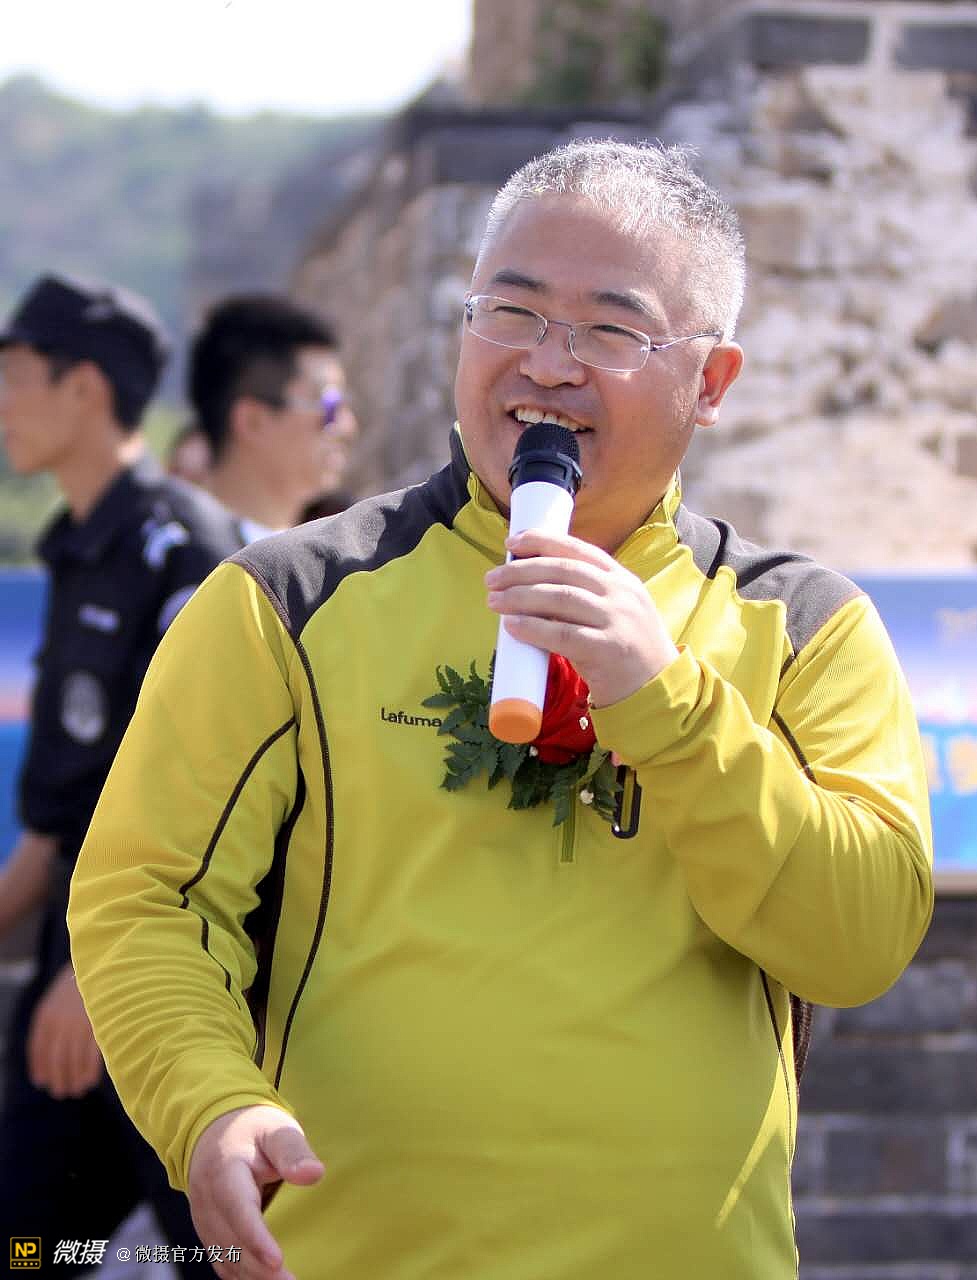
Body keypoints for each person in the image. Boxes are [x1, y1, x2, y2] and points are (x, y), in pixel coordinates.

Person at [68, 141, 934, 1280]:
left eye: (610, 331)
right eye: (509, 312)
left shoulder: (803, 625)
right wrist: (208, 1101)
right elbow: (147, 897)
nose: (546, 364)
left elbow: (859, 938)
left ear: (712, 382)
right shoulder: (288, 598)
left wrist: (667, 703)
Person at [0, 272, 241, 1269]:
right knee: (29, 1244)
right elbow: (59, 816)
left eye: (14, 376)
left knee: (220, 1254)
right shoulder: (76, 547)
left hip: (157, 992)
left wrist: (92, 983)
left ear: (85, 387)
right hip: (72, 982)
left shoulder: (184, 549)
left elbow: (209, 796)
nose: (2, 405)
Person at [186, 295, 357, 542]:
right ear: (253, 421)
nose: (347, 426)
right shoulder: (182, 555)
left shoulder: (333, 556)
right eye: (329, 405)